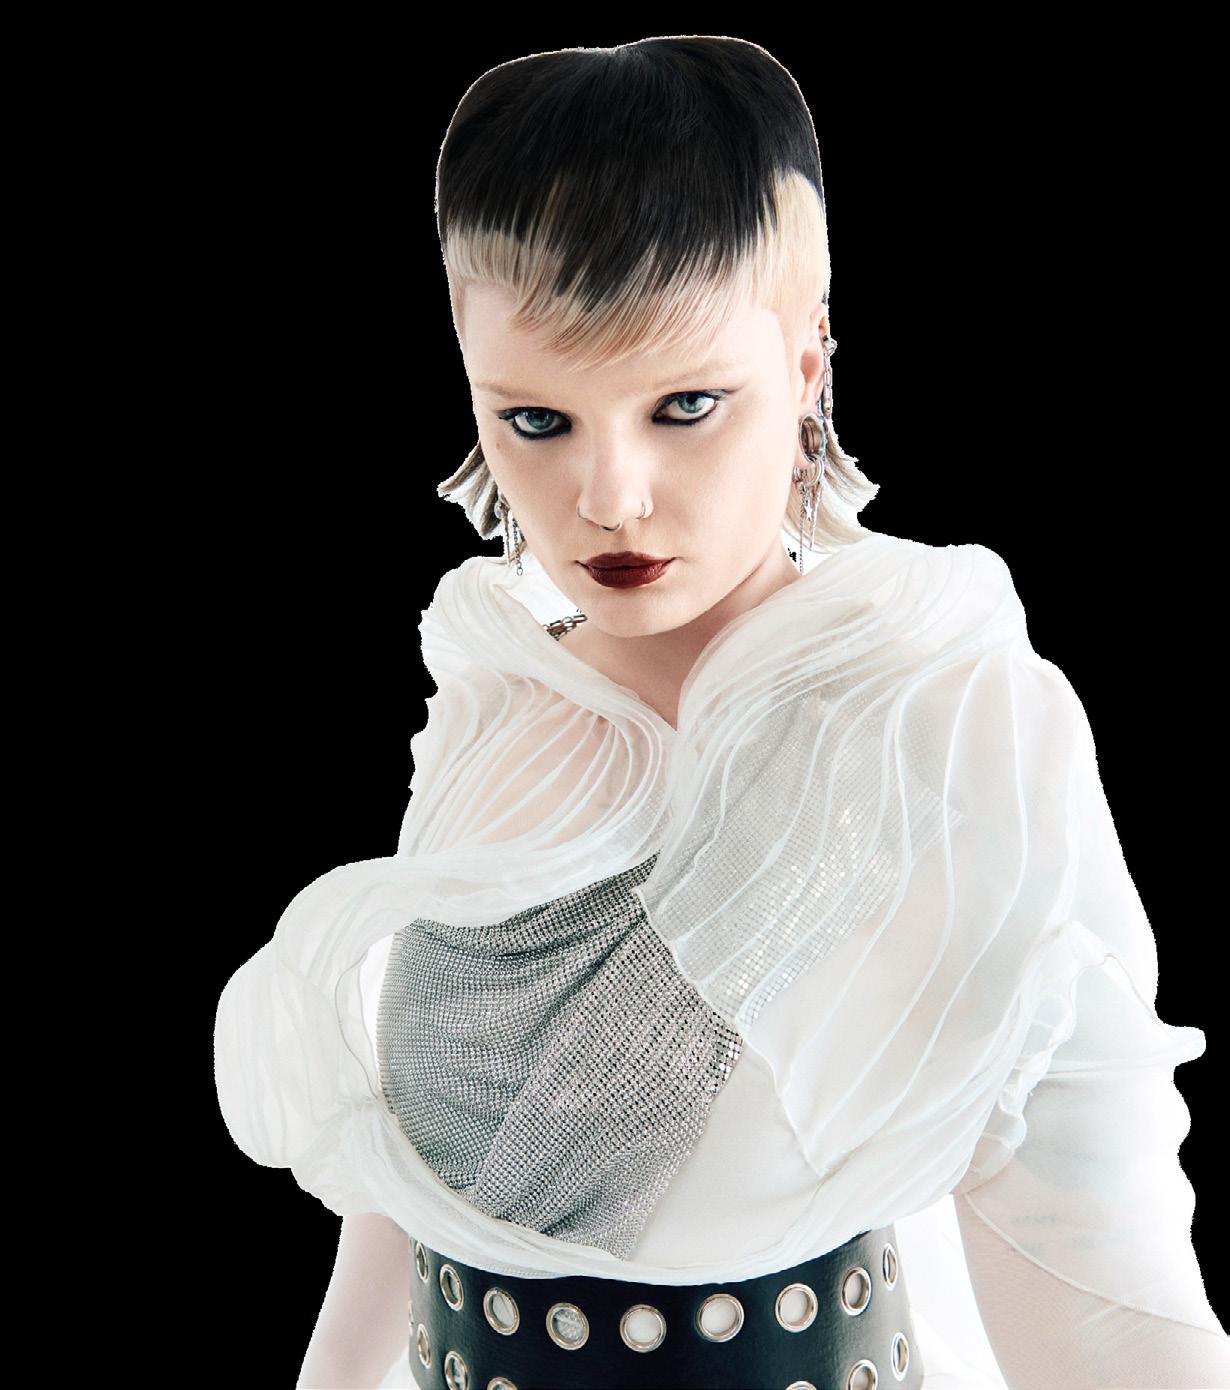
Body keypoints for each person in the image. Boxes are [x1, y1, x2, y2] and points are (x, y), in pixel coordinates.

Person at [213, 35, 1230, 1390]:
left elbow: (1106, 1301)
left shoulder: (942, 726)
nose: (610, 497)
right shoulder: (498, 695)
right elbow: (408, 1199)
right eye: (535, 420)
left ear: (808, 362)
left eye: (684, 405)